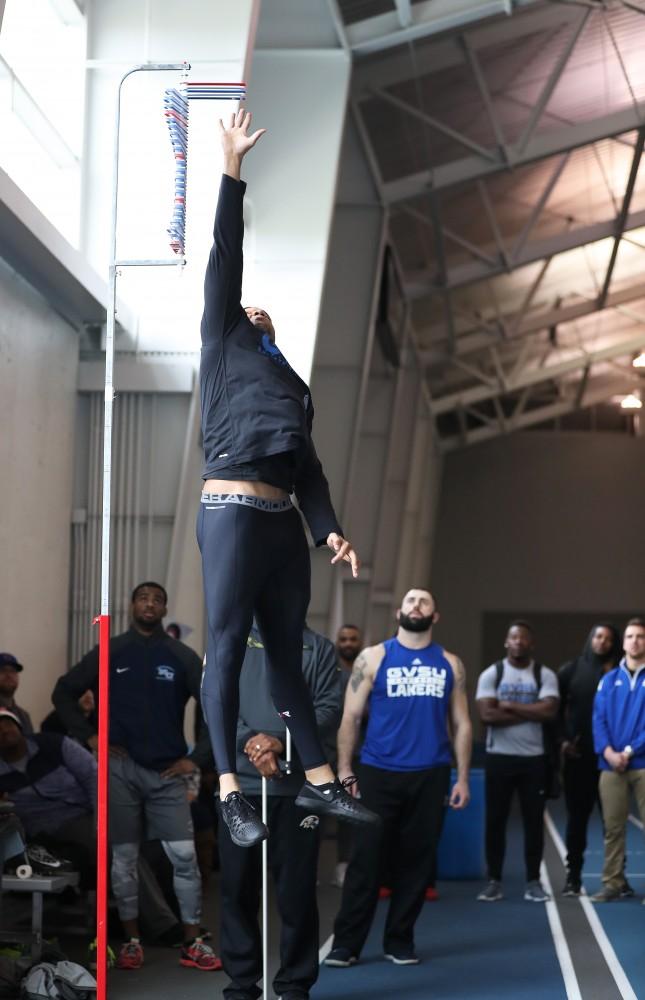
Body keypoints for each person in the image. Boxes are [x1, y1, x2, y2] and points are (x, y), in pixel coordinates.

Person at [196, 108, 377, 847]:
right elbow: (223, 254)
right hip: (233, 508)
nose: (252, 307)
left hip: (279, 525)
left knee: (290, 657)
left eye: (261, 312)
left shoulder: (293, 385)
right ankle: (230, 792)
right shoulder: (221, 339)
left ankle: (320, 781)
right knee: (229, 644)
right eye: (244, 307)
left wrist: (330, 530)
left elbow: (310, 472)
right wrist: (232, 170)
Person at [52, 581, 220, 972]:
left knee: (184, 857)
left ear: (164, 610)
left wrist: (197, 759)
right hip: (121, 770)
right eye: (143, 598)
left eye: (157, 600)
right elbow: (63, 692)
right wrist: (90, 736)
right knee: (123, 860)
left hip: (168, 772)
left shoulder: (181, 655)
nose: (150, 604)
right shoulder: (111, 651)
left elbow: (217, 706)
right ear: (131, 606)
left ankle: (192, 941)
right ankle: (131, 941)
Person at [324, 588, 472, 968]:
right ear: (400, 613)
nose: (417, 605)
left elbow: (462, 723)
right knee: (365, 861)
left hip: (431, 773)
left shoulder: (451, 664)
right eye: (410, 601)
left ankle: (399, 941)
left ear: (435, 616)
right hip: (379, 772)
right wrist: (344, 768)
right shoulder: (373, 658)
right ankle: (346, 944)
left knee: (416, 864)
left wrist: (463, 778)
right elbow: (350, 717)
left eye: (424, 601)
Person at [218, 622, 340, 1000]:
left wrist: (280, 741)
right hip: (240, 788)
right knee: (238, 889)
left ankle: (294, 984)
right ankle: (241, 984)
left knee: (297, 891)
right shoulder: (233, 641)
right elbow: (218, 701)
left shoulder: (318, 648)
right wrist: (252, 742)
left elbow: (328, 709)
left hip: (298, 790)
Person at [476, 620, 559, 903]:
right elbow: (487, 716)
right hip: (499, 758)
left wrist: (509, 706)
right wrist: (530, 710)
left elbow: (549, 712)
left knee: (534, 823)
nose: (519, 642)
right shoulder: (493, 674)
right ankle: (494, 880)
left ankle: (533, 881)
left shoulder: (543, 674)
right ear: (506, 642)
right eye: (514, 637)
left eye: (524, 638)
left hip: (533, 760)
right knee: (495, 821)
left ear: (531, 644)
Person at [558, 623, 622, 895]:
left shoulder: (622, 672)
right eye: (598, 636)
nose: (602, 642)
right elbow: (554, 711)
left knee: (613, 822)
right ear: (590, 639)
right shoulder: (570, 670)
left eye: (608, 638)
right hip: (579, 759)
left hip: (610, 760)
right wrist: (562, 742)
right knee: (577, 820)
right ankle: (573, 876)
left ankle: (617, 879)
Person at [0, 707, 96, 884]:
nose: (4, 731)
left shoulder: (53, 744)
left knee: (116, 846)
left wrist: (100, 818)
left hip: (77, 818)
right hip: (32, 835)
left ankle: (145, 910)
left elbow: (93, 776)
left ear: (19, 727)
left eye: (7, 724)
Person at [590, 617, 645, 903]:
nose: (635, 641)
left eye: (640, 636)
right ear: (623, 643)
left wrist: (629, 751)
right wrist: (609, 752)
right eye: (630, 636)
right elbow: (598, 720)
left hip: (642, 764)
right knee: (613, 827)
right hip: (611, 764)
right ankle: (612, 882)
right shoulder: (608, 680)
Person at [333, 624, 364, 889]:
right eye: (343, 639)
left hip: (359, 754)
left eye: (353, 639)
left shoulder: (366, 672)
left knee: (350, 810)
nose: (348, 643)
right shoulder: (329, 672)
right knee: (316, 810)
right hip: (326, 752)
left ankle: (345, 863)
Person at [0, 653, 33, 734]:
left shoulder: (24, 716)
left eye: (13, 671)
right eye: (3, 670)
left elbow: (30, 745)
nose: (9, 675)